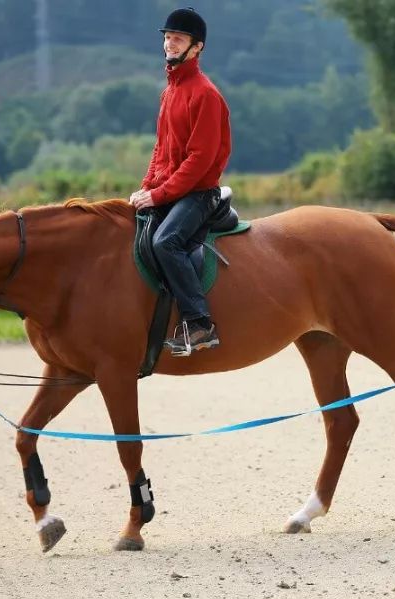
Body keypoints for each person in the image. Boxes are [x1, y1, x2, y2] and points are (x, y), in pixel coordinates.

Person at [129, 7, 231, 357]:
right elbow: (162, 148)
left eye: (179, 39)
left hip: (198, 193)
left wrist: (159, 194)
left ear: (196, 47)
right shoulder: (169, 92)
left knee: (166, 241)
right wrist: (146, 187)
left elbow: (200, 159)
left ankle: (200, 323)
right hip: (171, 189)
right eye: (168, 38)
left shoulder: (205, 94)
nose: (170, 44)